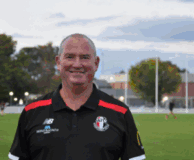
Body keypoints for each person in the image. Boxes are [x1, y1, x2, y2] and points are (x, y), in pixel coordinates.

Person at [9, 33, 145, 160]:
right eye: (70, 57)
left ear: (96, 63)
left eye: (85, 57)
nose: (77, 64)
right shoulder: (32, 111)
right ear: (58, 62)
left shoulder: (120, 112)